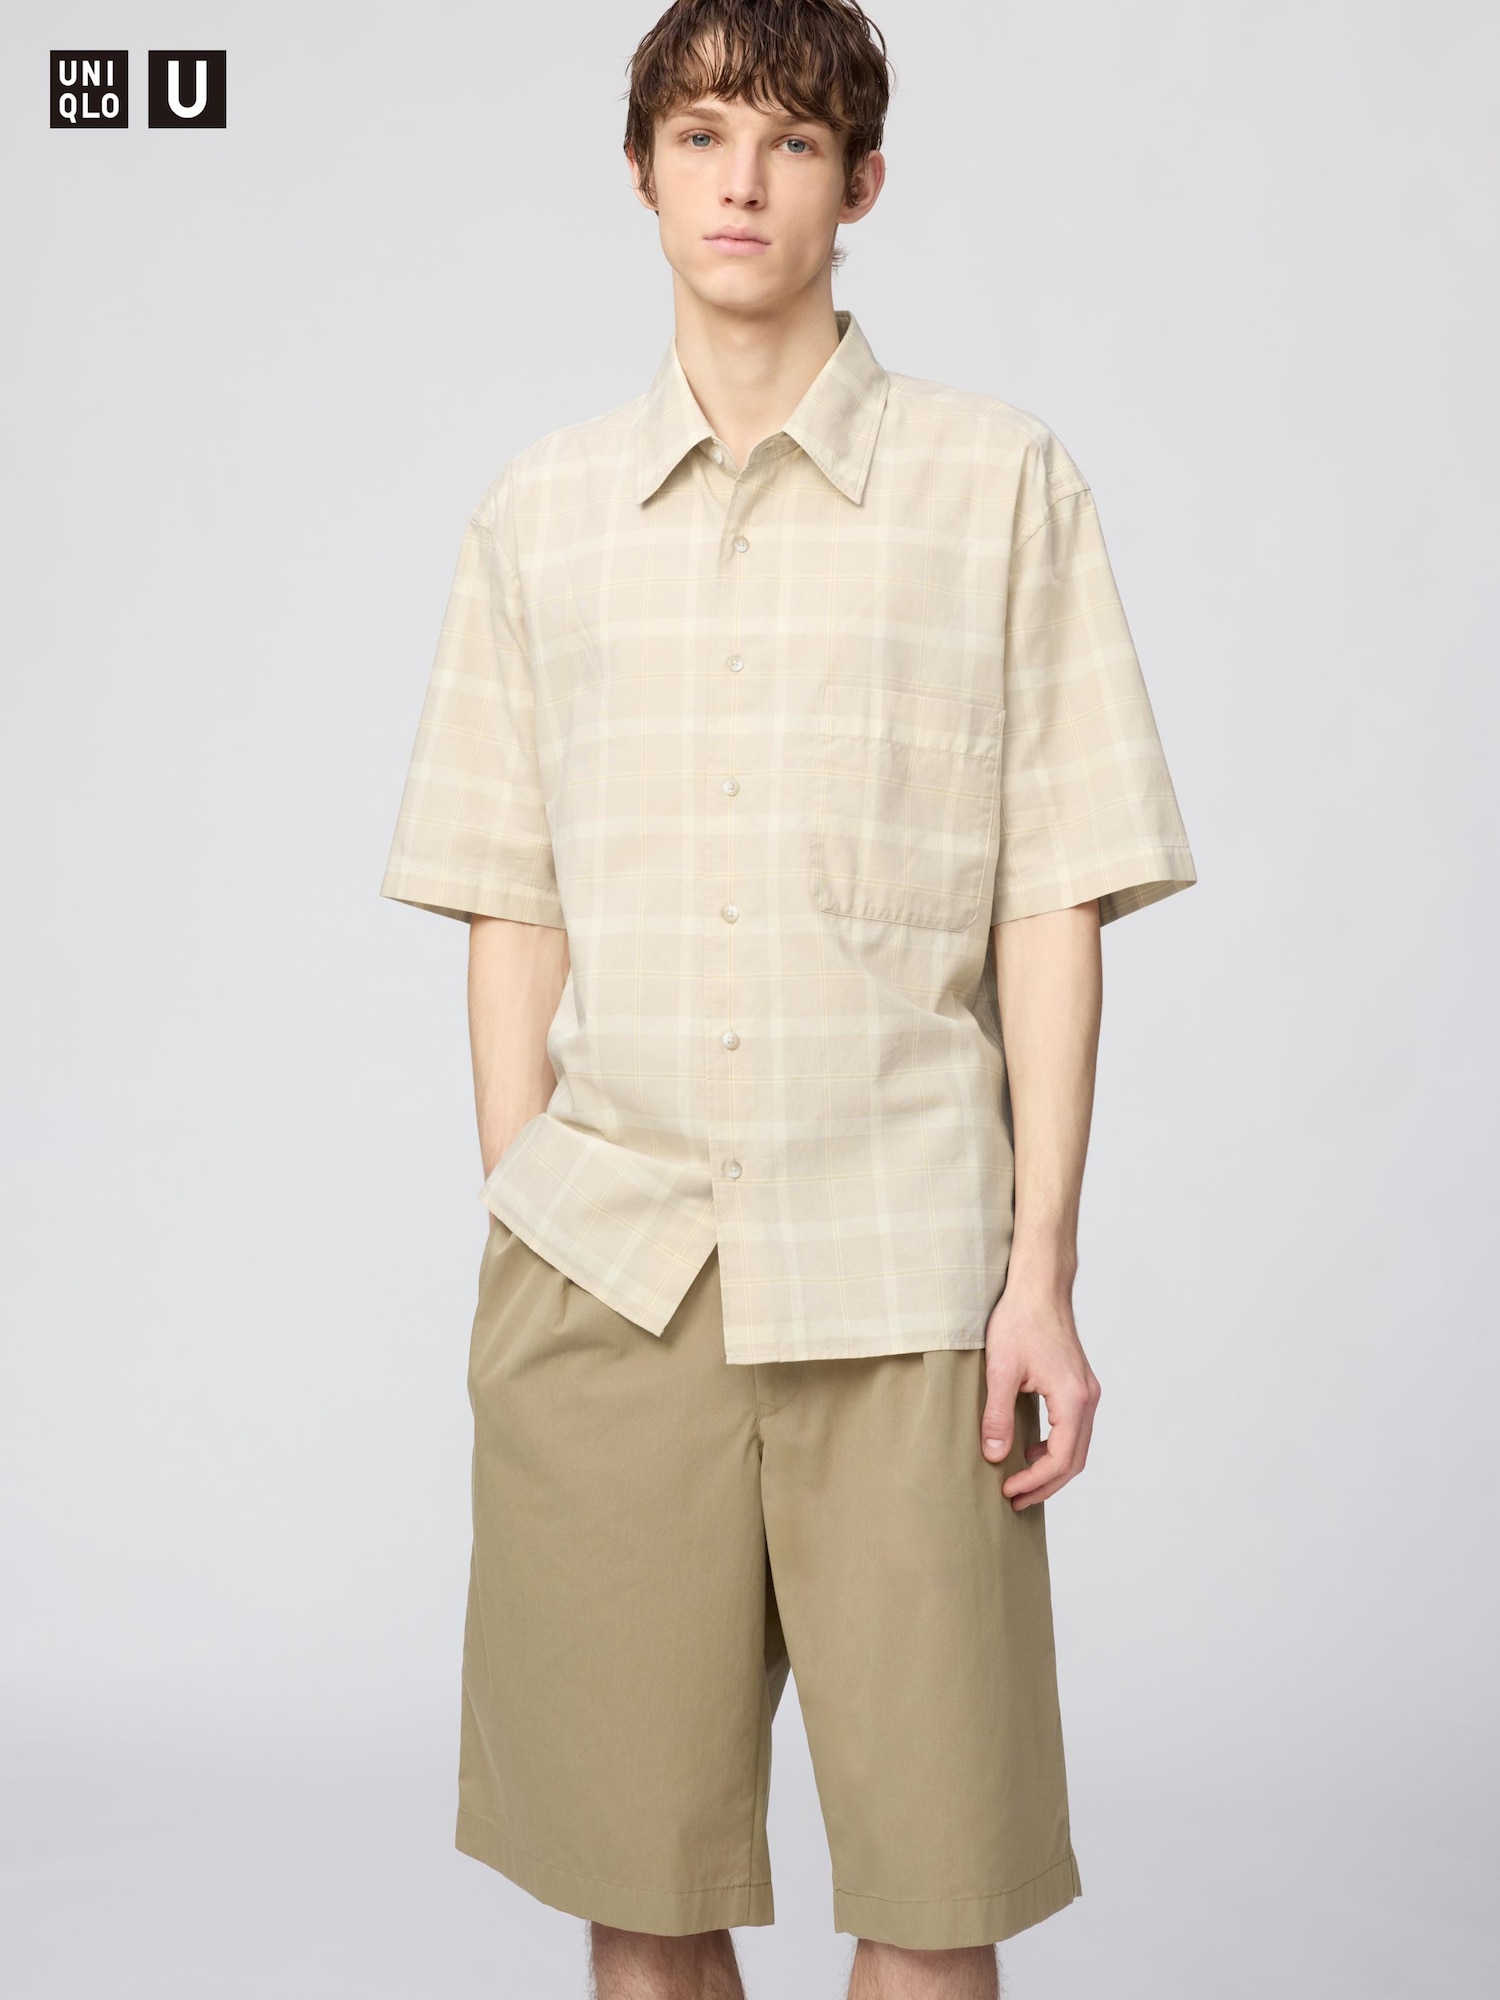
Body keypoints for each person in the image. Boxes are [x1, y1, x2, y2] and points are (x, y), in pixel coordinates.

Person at [379, 2, 1197, 1994]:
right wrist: (527, 1202)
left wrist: (1041, 1271)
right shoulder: (539, 515)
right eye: (702, 135)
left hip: (909, 1282)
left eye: (794, 143)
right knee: (643, 1893)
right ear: (642, 171)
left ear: (863, 184)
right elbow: (507, 898)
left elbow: (1054, 897)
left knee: (934, 1891)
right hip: (612, 1280)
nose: (743, 181)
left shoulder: (1001, 490)